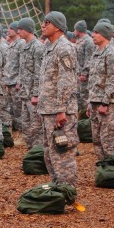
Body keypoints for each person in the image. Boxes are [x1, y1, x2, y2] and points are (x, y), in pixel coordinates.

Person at [37, 12, 79, 187]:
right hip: (48, 109)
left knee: (62, 152)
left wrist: (61, 109)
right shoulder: (49, 47)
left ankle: (67, 191)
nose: (43, 26)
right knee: (50, 153)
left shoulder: (64, 48)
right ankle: (57, 188)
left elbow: (67, 81)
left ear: (58, 26)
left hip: (60, 111)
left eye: (47, 23)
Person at [87, 20, 114, 161]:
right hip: (96, 101)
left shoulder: (111, 53)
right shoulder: (96, 53)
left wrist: (106, 102)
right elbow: (93, 80)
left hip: (108, 103)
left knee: (108, 139)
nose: (93, 35)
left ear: (105, 35)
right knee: (96, 139)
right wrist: (90, 102)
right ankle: (104, 169)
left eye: (96, 32)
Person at [16, 17, 44, 148]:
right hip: (25, 93)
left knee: (36, 126)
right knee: (26, 124)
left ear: (28, 29)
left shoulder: (38, 47)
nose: (18, 31)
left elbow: (39, 73)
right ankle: (31, 151)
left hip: (33, 94)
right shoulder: (23, 46)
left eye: (21, 29)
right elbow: (23, 69)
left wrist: (36, 94)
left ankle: (37, 152)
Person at [3, 22, 25, 132]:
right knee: (10, 108)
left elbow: (23, 64)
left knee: (18, 109)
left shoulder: (21, 43)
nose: (9, 30)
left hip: (16, 82)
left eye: (11, 28)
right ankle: (14, 131)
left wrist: (19, 81)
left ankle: (21, 133)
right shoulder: (11, 44)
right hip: (9, 81)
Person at [74, 20, 95, 110]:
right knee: (78, 96)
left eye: (75, 29)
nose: (74, 31)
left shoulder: (88, 41)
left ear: (78, 30)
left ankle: (86, 120)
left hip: (84, 76)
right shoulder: (79, 41)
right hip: (77, 74)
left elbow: (89, 58)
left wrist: (84, 73)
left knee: (84, 97)